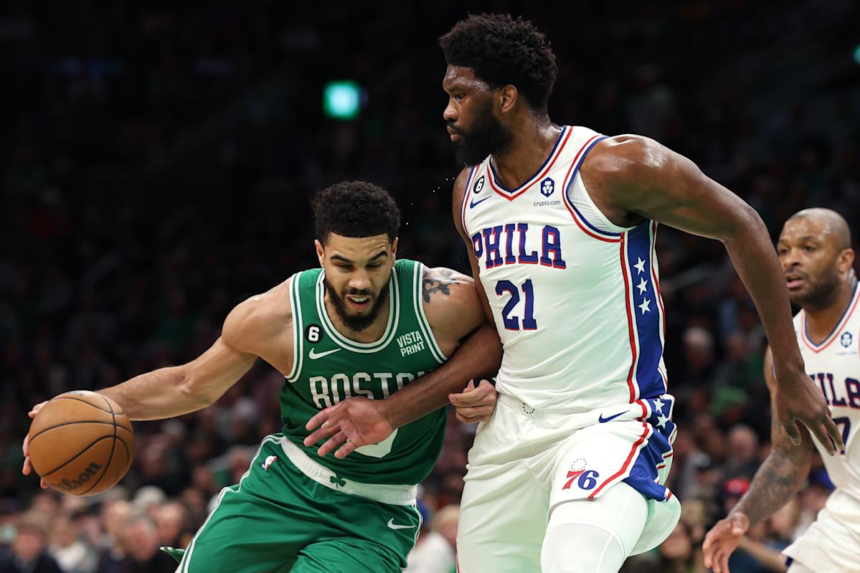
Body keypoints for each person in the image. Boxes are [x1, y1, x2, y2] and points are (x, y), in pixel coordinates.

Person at [302, 14, 842, 573]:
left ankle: (636, 498)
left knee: (573, 562)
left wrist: (791, 365)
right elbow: (497, 330)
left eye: (460, 94)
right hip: (508, 433)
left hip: (608, 420)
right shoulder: (469, 194)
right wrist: (449, 394)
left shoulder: (613, 167)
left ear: (507, 98)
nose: (447, 111)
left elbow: (744, 224)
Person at [23, 181, 500, 573]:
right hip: (284, 486)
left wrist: (484, 386)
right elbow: (190, 385)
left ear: (395, 251)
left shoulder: (443, 302)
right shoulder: (275, 317)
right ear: (319, 254)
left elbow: (502, 337)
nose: (360, 281)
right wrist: (80, 406)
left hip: (374, 511)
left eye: (375, 263)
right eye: (343, 264)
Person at [704, 209, 860, 573]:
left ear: (844, 260)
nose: (791, 260)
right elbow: (790, 456)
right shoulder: (784, 352)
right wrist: (742, 516)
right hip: (847, 518)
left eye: (808, 248)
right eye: (783, 250)